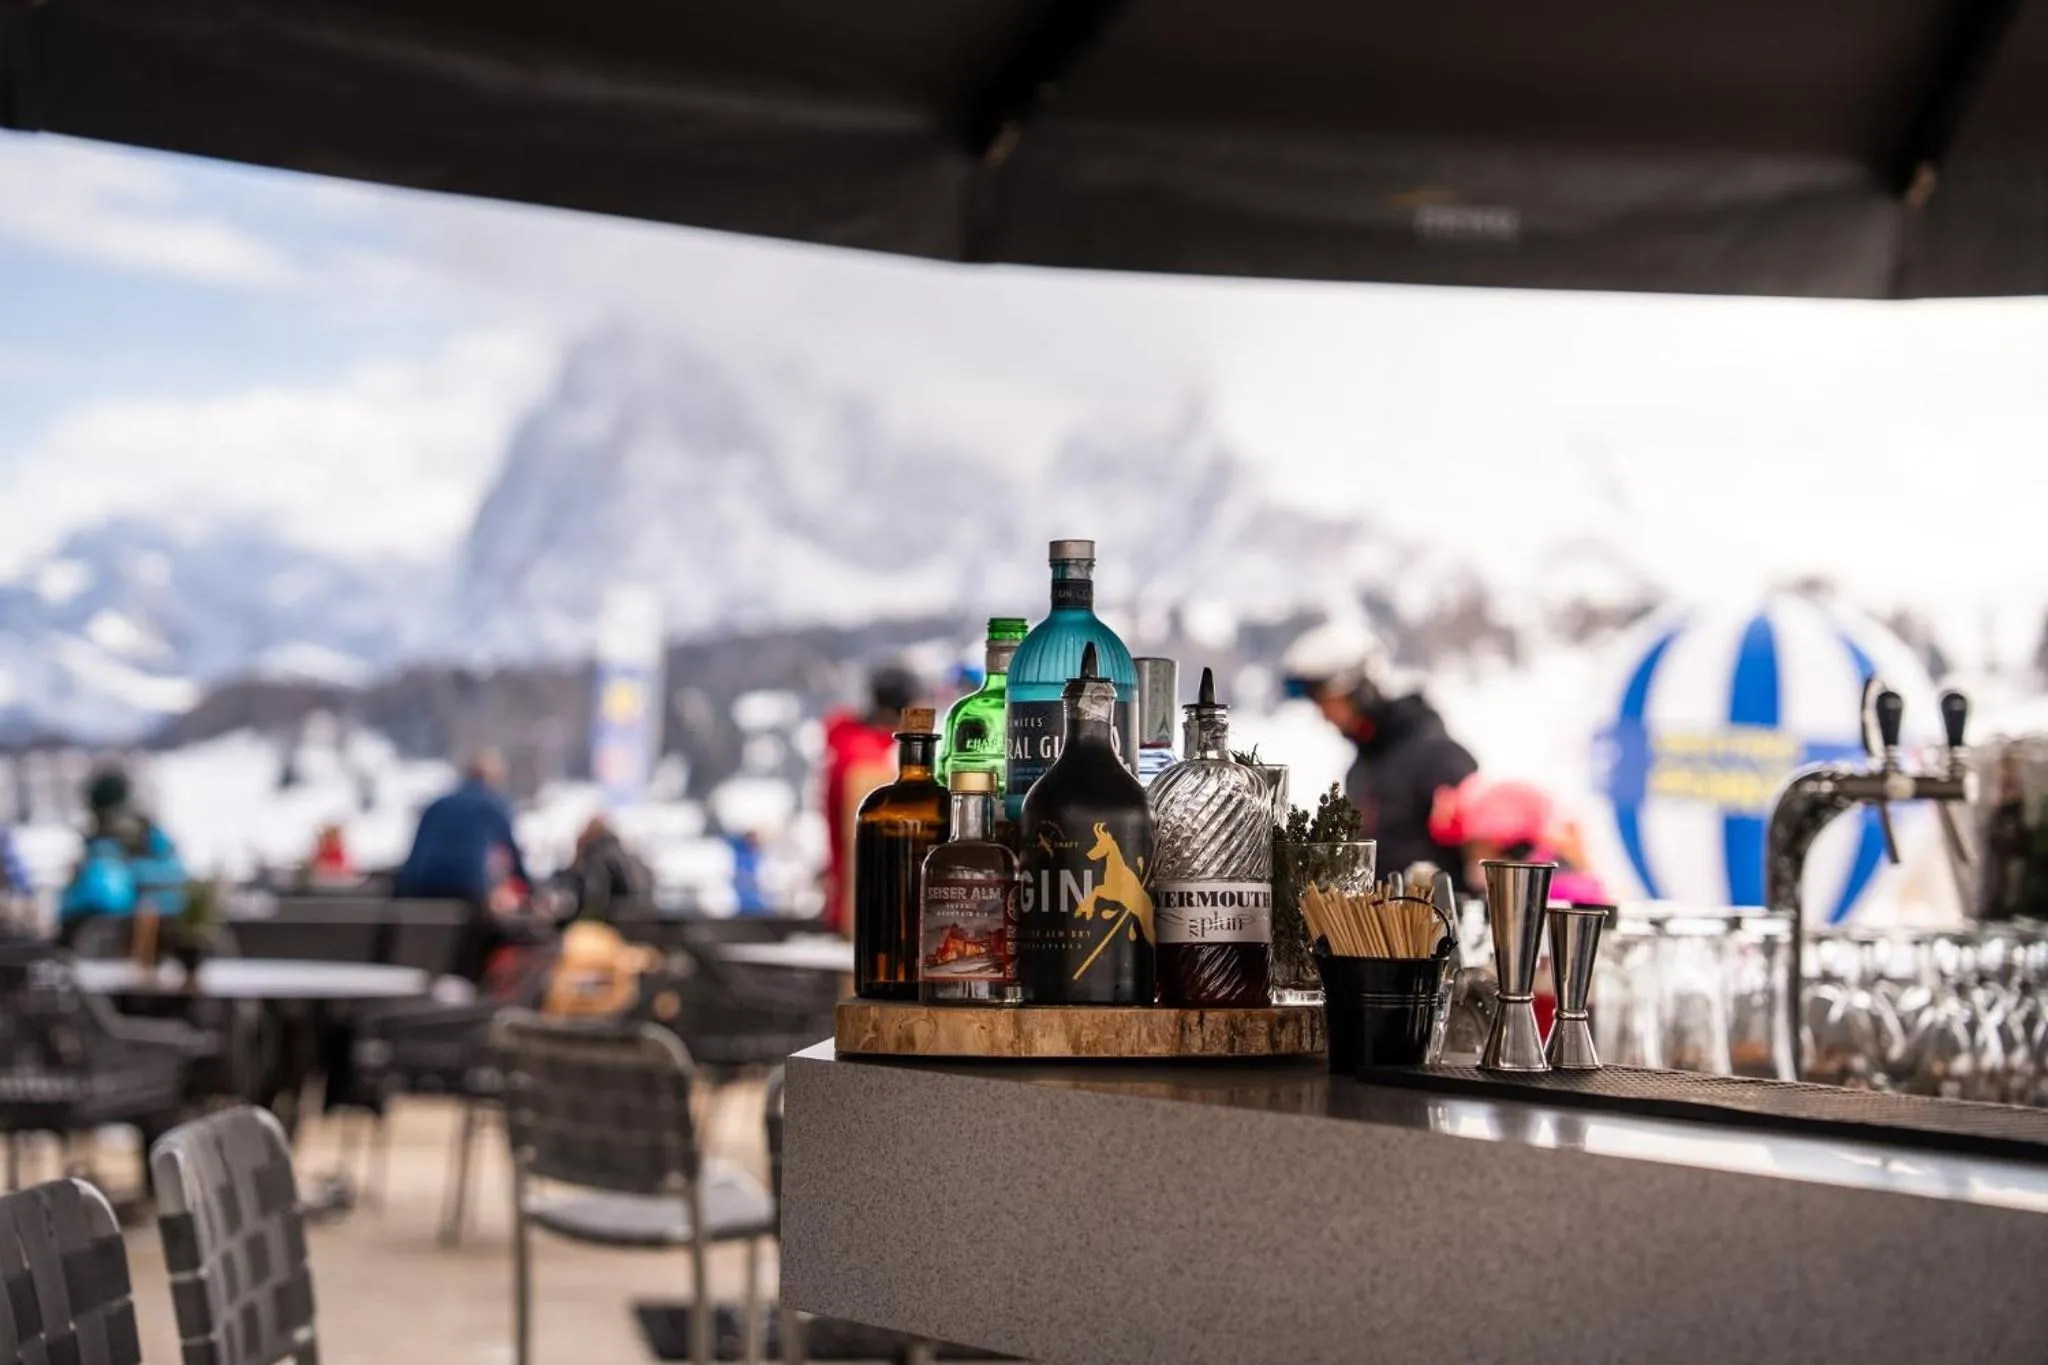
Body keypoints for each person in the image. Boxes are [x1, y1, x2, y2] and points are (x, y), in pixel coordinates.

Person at [1281, 618, 1478, 880]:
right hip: (1380, 918)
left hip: (1441, 918)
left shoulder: (1437, 756)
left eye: (1327, 702)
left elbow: (1485, 849)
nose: (1325, 716)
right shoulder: (1360, 771)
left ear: (1359, 691)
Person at [393, 749, 533, 981]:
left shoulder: (438, 804)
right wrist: (531, 893)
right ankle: (472, 984)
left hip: (418, 891)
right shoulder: (492, 805)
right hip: (463, 892)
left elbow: (415, 855)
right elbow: (513, 856)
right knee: (491, 932)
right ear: (491, 778)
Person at [820, 663, 918, 935]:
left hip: (845, 900)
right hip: (867, 914)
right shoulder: (868, 762)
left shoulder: (846, 743)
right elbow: (865, 848)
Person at [1427, 774, 1608, 904]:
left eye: (1476, 848)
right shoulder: (1548, 881)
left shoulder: (1553, 891)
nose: (1472, 860)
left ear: (1507, 846)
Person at [58, 766, 186, 948]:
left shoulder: (146, 834)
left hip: (141, 919)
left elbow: (174, 872)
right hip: (107, 921)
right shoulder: (103, 840)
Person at [559, 815, 649, 921]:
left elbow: (596, 894)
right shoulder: (626, 854)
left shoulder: (597, 855)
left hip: (611, 919)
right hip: (639, 916)